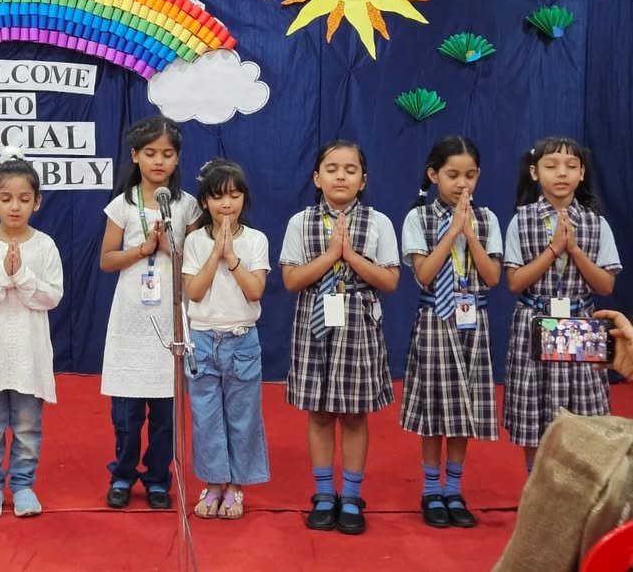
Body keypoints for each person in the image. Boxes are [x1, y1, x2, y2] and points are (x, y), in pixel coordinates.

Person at [280, 140, 399, 536]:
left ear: (363, 180)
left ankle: (350, 494)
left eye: (350, 170)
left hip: (359, 321)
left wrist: (351, 256)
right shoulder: (300, 222)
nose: (341, 176)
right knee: (319, 411)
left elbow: (390, 281)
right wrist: (330, 256)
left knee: (353, 413)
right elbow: (291, 280)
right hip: (314, 318)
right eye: (332, 169)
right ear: (317, 178)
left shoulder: (379, 222)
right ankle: (323, 493)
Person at [400, 136, 502, 529]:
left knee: (465, 407)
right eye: (453, 175)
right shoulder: (418, 218)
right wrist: (452, 231)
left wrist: (470, 233)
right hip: (435, 318)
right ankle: (431, 489)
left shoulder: (487, 219)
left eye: (470, 175)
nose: (463, 183)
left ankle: (454, 489)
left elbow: (492, 277)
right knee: (435, 408)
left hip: (472, 319)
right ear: (433, 175)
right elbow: (424, 275)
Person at [99, 116, 201, 510]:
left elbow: (197, 259)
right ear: (135, 156)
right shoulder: (122, 204)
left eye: (167, 154)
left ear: (177, 159)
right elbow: (107, 260)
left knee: (165, 414)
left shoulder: (187, 205)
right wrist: (142, 250)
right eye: (150, 153)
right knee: (126, 414)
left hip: (171, 315)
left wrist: (169, 249)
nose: (159, 161)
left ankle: (159, 478)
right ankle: (122, 475)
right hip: (131, 317)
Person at [503, 137, 621, 472]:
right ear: (534, 172)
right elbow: (515, 282)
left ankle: (579, 489)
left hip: (581, 322)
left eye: (571, 166)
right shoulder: (521, 220)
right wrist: (554, 249)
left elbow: (606, 284)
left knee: (585, 411)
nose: (561, 173)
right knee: (534, 412)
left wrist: (574, 250)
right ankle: (538, 486)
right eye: (551, 166)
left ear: (582, 173)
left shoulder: (596, 223)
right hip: (535, 320)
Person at [0, 149, 63, 519]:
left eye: (23, 198)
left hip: (29, 356)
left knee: (27, 427)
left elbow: (51, 297)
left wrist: (21, 275)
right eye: (6, 198)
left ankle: (22, 485)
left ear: (37, 201)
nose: (15, 206)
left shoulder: (45, 245)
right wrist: (3, 274)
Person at [182, 159, 270, 520]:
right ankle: (214, 483)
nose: (227, 203)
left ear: (244, 198)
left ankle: (235, 486)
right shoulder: (194, 240)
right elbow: (194, 292)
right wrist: (214, 254)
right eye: (218, 196)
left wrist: (231, 257)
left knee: (242, 417)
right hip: (203, 339)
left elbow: (256, 291)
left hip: (242, 340)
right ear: (205, 201)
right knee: (206, 418)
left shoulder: (256, 239)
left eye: (234, 195)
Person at [592, 309, 633, 378]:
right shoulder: (598, 333)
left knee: (603, 355)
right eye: (601, 328)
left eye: (602, 328)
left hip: (604, 344)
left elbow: (604, 338)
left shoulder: (605, 333)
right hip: (600, 344)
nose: (601, 329)